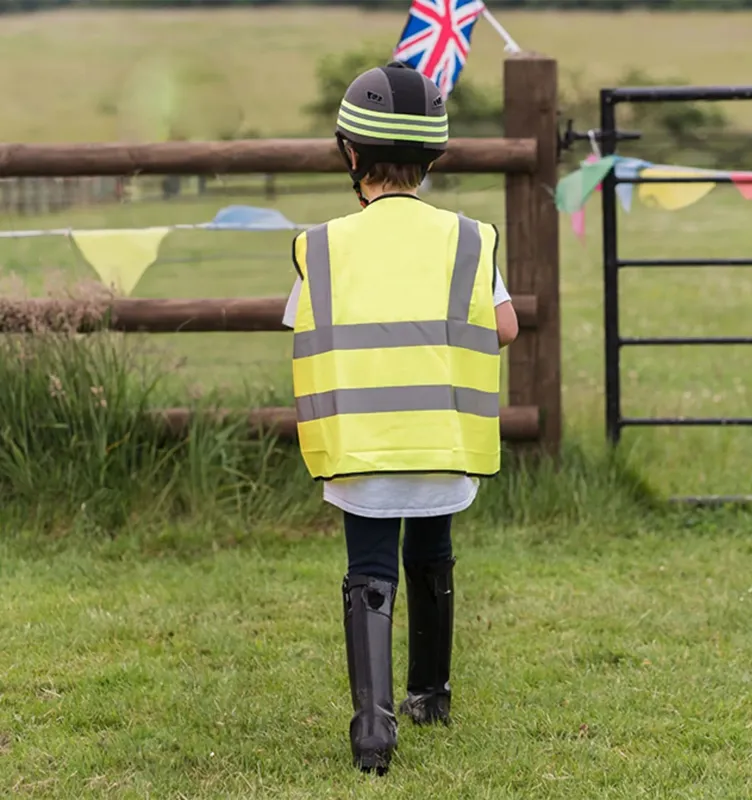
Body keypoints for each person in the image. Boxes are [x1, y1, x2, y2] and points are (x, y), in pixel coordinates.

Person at [282, 61, 519, 775]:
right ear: (432, 157)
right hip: (443, 443)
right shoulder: (470, 238)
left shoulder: (322, 245)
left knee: (370, 567)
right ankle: (433, 692)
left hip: (362, 450)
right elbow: (504, 327)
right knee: (431, 549)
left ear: (351, 154)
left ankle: (373, 732)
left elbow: (296, 320)